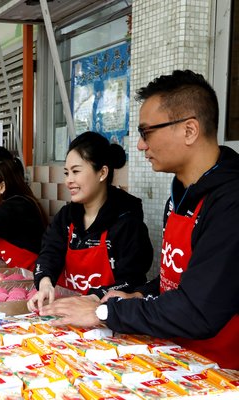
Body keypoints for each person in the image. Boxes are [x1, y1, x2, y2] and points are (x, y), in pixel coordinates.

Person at [38, 70, 239, 369]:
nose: (141, 145)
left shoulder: (230, 202)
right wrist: (137, 293)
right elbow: (177, 280)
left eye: (147, 132)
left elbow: (198, 309)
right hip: (181, 359)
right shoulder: (180, 195)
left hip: (222, 368)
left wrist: (106, 313)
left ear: (189, 130)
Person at [26, 131, 152, 306]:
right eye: (66, 173)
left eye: (76, 171)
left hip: (108, 320)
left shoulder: (127, 223)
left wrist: (94, 298)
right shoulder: (66, 217)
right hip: (68, 314)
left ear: (102, 173)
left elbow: (132, 281)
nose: (68, 180)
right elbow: (50, 252)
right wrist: (45, 282)